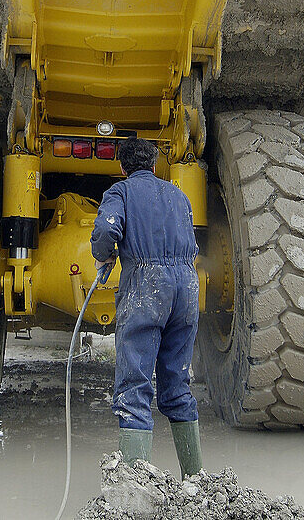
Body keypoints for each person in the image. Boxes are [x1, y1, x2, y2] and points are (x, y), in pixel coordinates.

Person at [90, 136, 202, 478]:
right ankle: (195, 480)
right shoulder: (179, 195)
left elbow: (105, 232)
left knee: (134, 386)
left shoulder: (120, 193)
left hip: (145, 286)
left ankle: (135, 484)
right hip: (186, 287)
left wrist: (104, 254)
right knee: (178, 383)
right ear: (155, 165)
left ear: (122, 168)